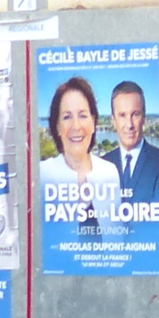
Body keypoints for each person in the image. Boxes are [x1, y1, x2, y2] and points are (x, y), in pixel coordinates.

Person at [38, 75, 122, 239]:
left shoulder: (109, 172)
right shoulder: (43, 174)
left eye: (83, 115)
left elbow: (117, 240)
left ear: (93, 122)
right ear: (57, 127)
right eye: (67, 117)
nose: (76, 126)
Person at [106, 79, 159, 206]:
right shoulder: (101, 166)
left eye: (135, 114)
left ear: (144, 117)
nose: (129, 125)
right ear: (113, 120)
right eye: (122, 115)